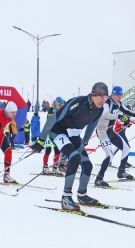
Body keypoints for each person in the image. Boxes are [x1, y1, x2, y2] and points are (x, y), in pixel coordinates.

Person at [31, 82, 109, 211]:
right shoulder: (78, 102)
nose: (103, 101)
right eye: (101, 97)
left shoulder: (98, 110)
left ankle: (82, 195)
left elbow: (91, 126)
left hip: (73, 134)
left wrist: (84, 141)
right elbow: (52, 118)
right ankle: (66, 197)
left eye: (106, 98)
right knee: (74, 158)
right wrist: (41, 139)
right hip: (58, 131)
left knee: (87, 164)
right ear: (94, 94)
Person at [93, 86, 135, 187]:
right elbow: (105, 115)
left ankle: (121, 171)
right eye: (118, 96)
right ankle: (99, 179)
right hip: (102, 131)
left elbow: (126, 110)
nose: (120, 98)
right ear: (113, 95)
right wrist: (119, 116)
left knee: (126, 148)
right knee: (109, 154)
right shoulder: (107, 102)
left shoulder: (118, 103)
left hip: (110, 131)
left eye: (121, 96)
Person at [42, 107, 61, 174]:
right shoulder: (50, 118)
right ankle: (45, 167)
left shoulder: (55, 117)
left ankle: (55, 167)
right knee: (48, 151)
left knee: (57, 151)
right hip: (49, 136)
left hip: (55, 136)